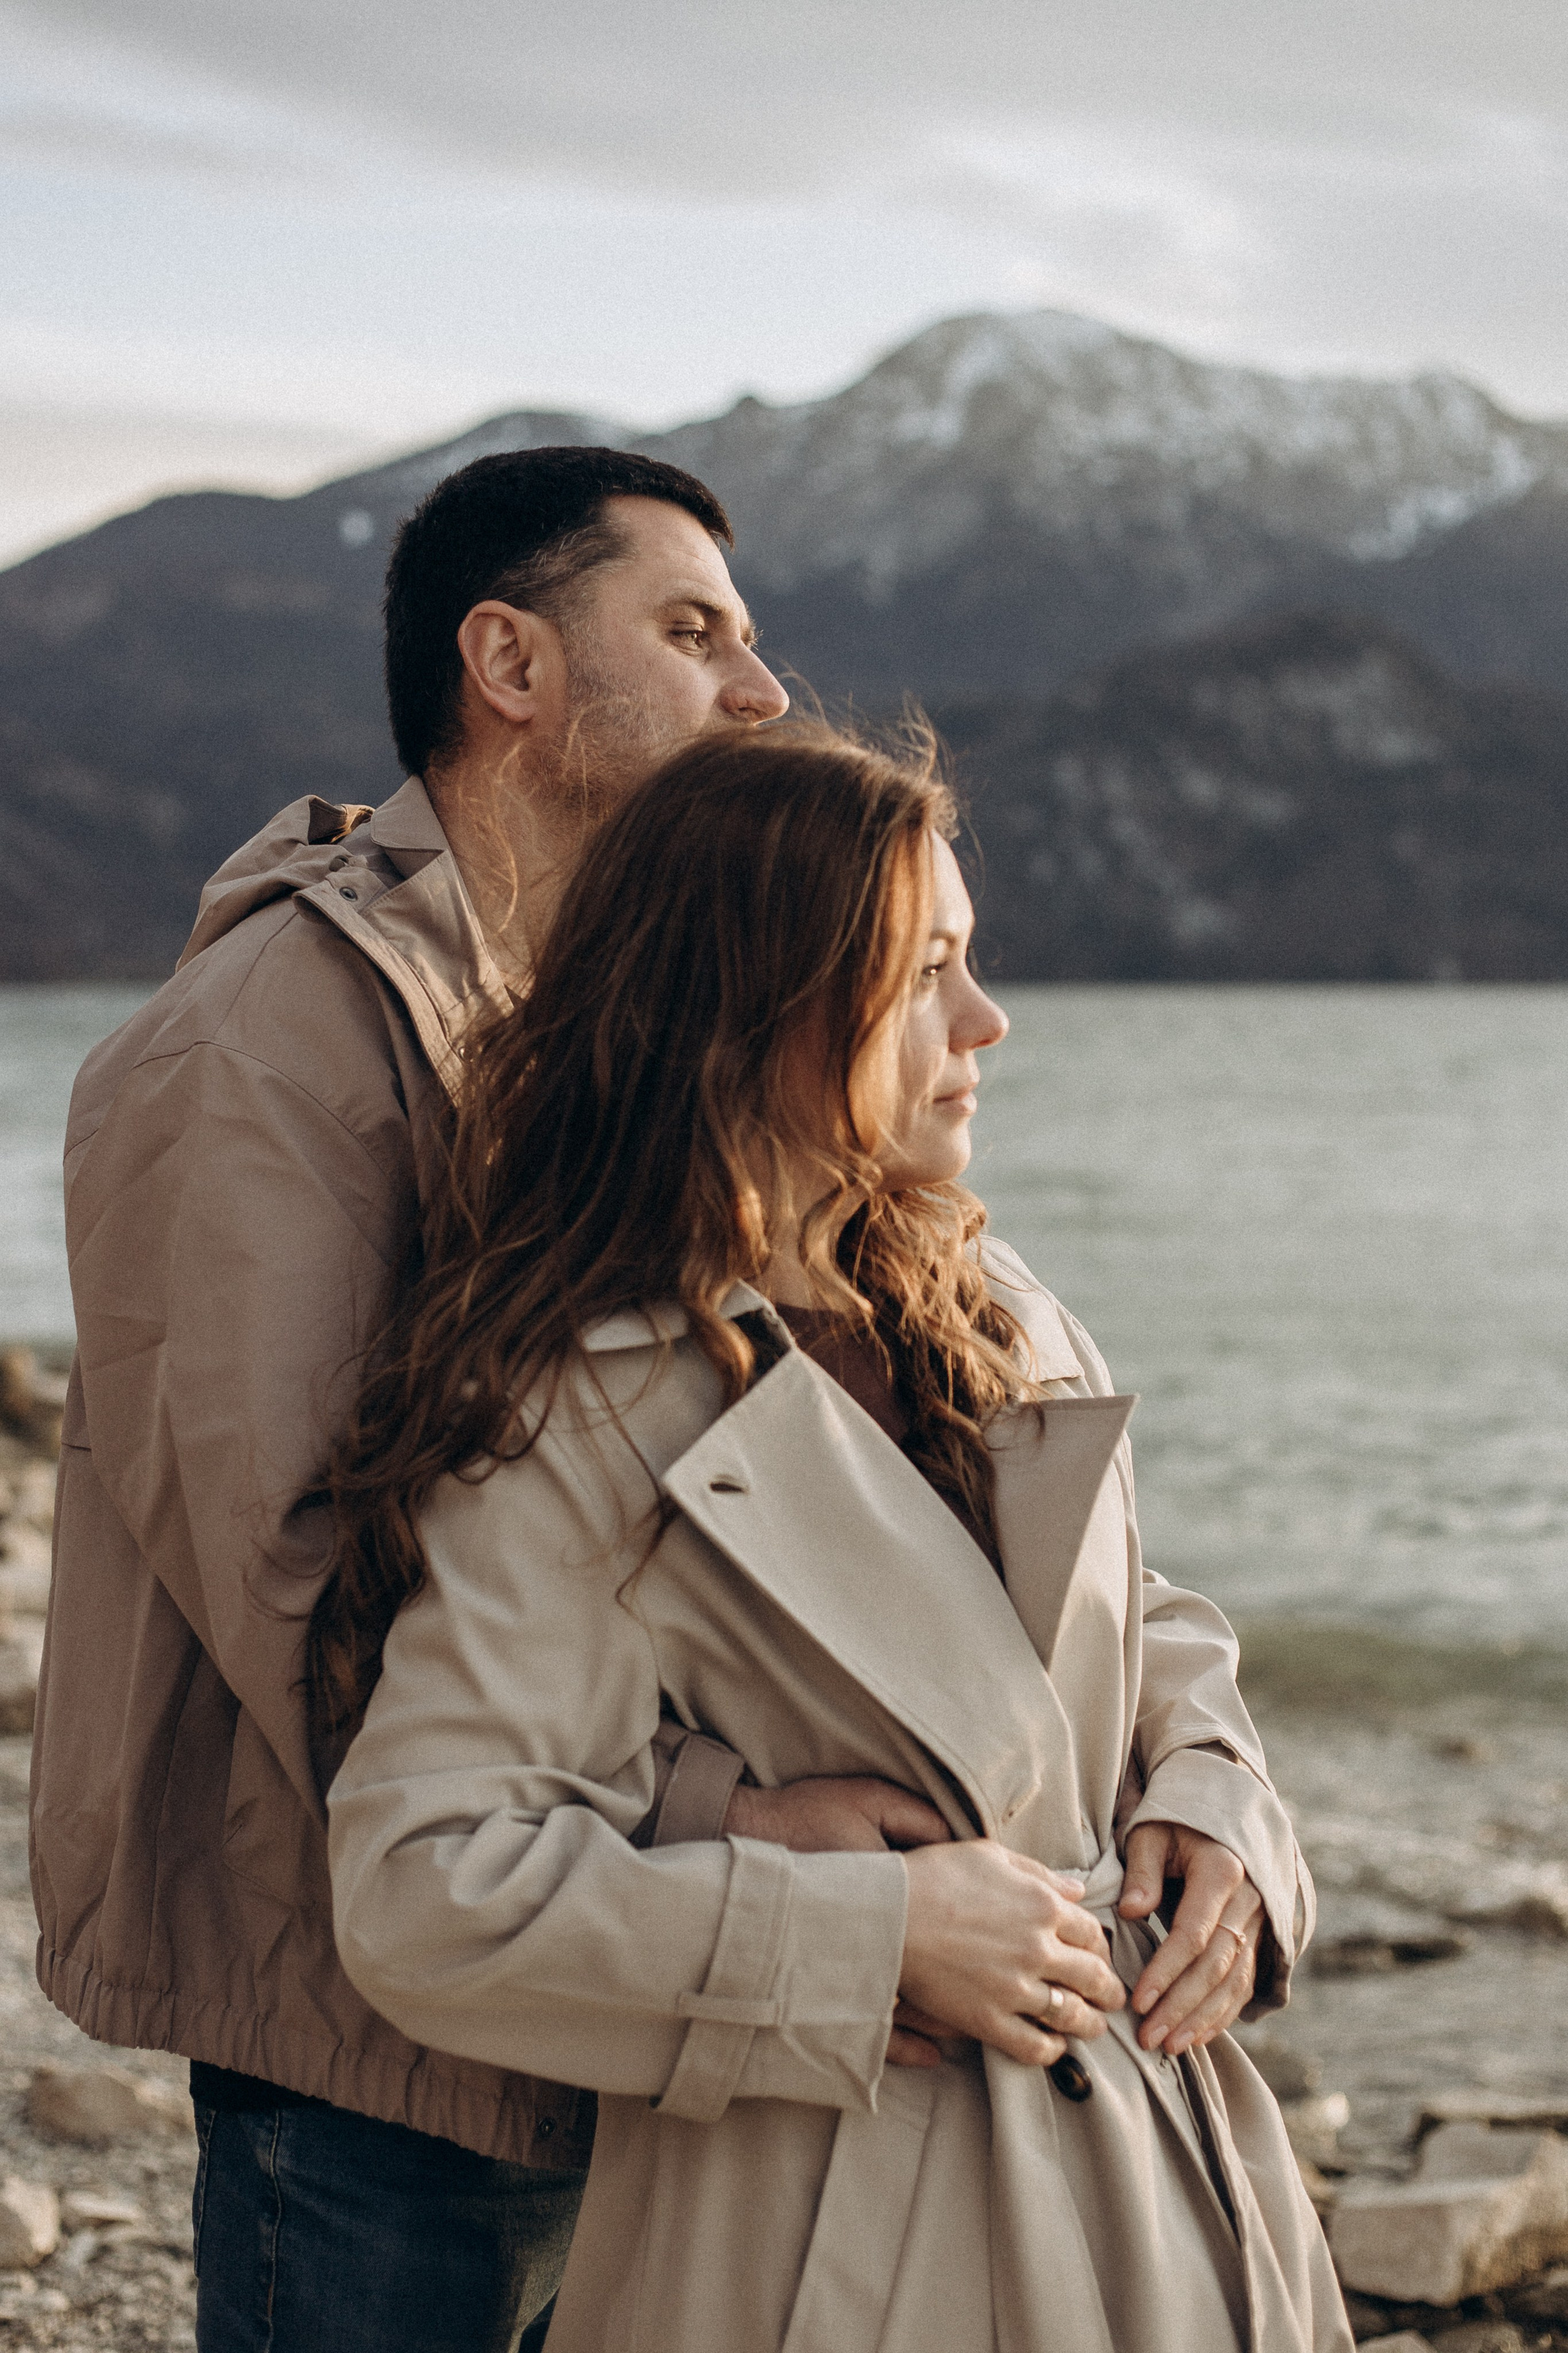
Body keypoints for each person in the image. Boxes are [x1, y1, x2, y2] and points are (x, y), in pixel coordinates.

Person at [32, 448, 955, 2353]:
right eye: (694, 632)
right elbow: (299, 1570)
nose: (760, 692)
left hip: (605, 1958)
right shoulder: (261, 1052)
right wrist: (737, 1821)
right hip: (376, 2044)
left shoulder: (602, 1019)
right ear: (511, 663)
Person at [319, 724, 1352, 2353]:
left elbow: (1133, 1628)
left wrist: (1227, 1816)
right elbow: (426, 1886)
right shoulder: (581, 1401)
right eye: (925, 967)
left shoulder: (995, 1303)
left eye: (971, 957)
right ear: (754, 1005)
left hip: (1170, 2178)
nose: (985, 1021)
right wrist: (873, 1941)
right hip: (850, 2239)